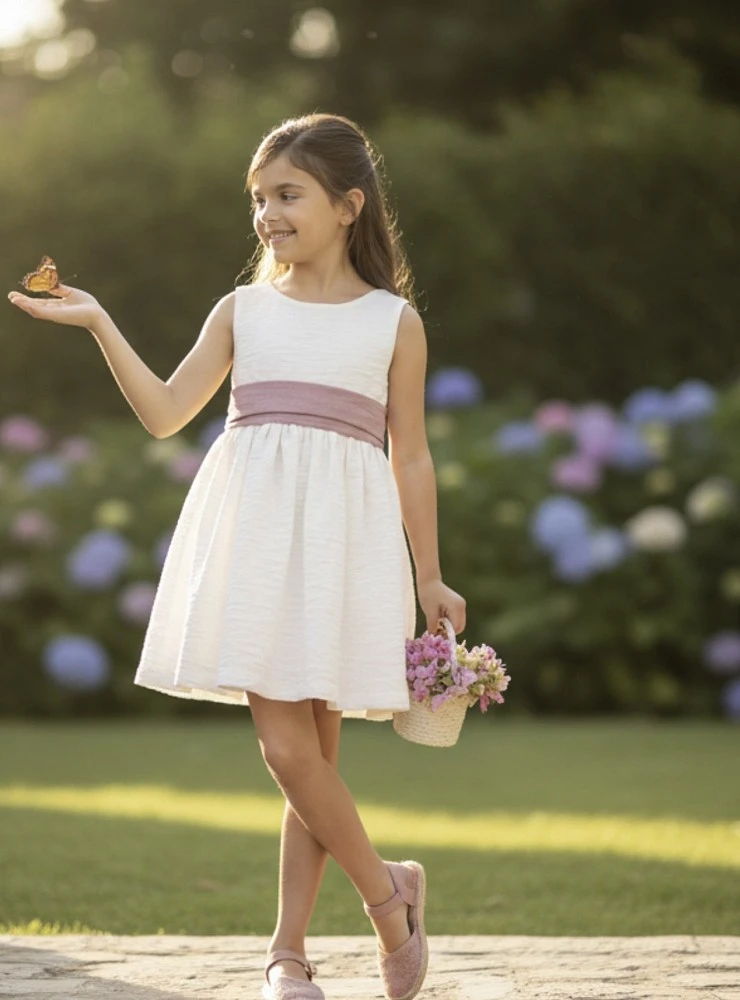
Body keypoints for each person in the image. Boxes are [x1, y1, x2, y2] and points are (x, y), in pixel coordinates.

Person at [7, 112, 466, 1000]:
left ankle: (288, 953)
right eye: (258, 198)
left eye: (287, 194)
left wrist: (430, 575)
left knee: (313, 763)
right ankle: (388, 898)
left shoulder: (393, 322)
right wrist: (99, 322)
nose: (267, 214)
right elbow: (165, 413)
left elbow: (410, 456)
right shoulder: (242, 310)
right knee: (290, 753)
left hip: (341, 547)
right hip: (254, 543)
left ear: (348, 205)